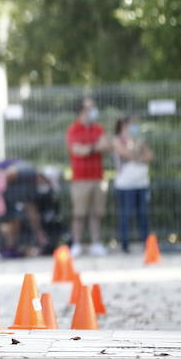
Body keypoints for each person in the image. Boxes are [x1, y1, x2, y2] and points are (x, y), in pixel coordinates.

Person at [66, 97, 110, 257]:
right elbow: (77, 150)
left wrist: (88, 148)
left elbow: (106, 145)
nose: (94, 111)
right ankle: (76, 244)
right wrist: (94, 147)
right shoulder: (73, 129)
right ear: (82, 111)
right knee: (79, 213)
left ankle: (96, 243)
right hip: (80, 179)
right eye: (91, 108)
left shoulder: (98, 128)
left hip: (98, 177)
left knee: (96, 213)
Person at [112, 117, 153, 252]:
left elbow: (149, 156)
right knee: (126, 213)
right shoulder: (118, 140)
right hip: (125, 184)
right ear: (123, 126)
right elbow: (126, 154)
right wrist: (137, 151)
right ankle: (124, 243)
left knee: (143, 213)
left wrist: (137, 154)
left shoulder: (137, 139)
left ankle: (146, 243)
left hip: (141, 182)